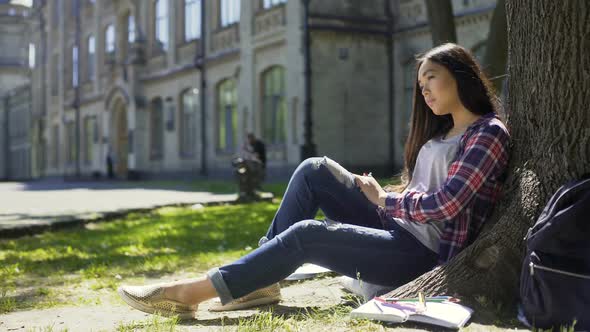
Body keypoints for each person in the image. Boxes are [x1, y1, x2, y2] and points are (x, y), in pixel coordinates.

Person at [117, 43, 511, 319]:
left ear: (461, 77)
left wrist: (383, 202)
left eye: (432, 78)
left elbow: (446, 205)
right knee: (315, 169)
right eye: (420, 83)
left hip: (420, 255)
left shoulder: (487, 133)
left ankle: (189, 294)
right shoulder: (440, 134)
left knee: (308, 235)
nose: (424, 89)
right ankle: (260, 281)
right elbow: (424, 192)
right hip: (398, 226)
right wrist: (386, 194)